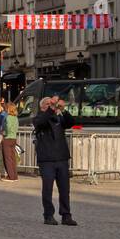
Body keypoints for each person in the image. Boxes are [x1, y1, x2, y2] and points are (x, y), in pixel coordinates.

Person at [33, 94, 77, 226]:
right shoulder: (38, 118)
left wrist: (63, 110)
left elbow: (71, 123)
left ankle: (66, 215)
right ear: (42, 107)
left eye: (51, 104)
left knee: (64, 188)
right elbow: (41, 122)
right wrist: (51, 108)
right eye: (47, 104)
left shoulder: (58, 117)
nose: (51, 106)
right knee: (48, 188)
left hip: (61, 157)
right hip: (46, 159)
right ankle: (48, 215)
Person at [2, 102, 20, 181]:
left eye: (6, 107)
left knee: (7, 158)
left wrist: (4, 133)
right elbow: (16, 128)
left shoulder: (8, 117)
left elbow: (8, 127)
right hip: (14, 138)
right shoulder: (15, 117)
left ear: (9, 108)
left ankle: (10, 176)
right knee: (13, 158)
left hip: (7, 138)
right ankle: (15, 176)